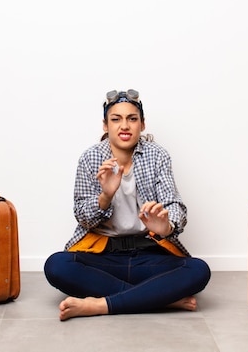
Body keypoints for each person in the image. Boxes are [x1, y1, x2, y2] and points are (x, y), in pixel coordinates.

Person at [44, 89, 211, 321]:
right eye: (116, 119)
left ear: (142, 125)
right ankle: (159, 298)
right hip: (104, 256)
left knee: (198, 271)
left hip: (149, 254)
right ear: (105, 125)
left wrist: (165, 227)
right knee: (57, 266)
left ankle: (101, 305)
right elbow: (82, 216)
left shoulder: (158, 156)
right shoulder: (90, 158)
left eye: (132, 119)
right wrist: (105, 195)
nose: (125, 126)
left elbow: (175, 207)